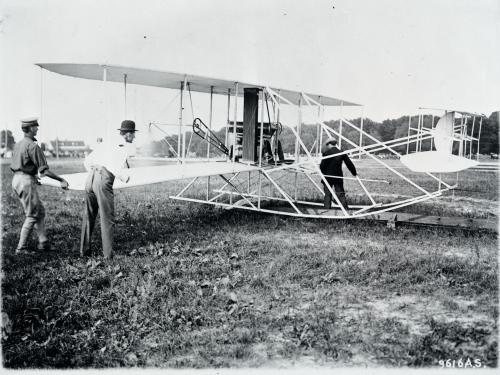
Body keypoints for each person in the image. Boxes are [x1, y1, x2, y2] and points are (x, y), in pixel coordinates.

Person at [80, 120, 137, 259]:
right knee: (107, 217)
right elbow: (113, 166)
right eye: (133, 134)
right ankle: (108, 255)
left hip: (90, 178)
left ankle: (84, 251)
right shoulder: (122, 146)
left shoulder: (106, 142)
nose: (134, 137)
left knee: (89, 215)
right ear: (128, 134)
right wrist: (124, 177)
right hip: (103, 179)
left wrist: (95, 171)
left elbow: (86, 161)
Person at [10, 117, 69, 254]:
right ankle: (21, 248)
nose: (37, 128)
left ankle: (43, 243)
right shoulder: (33, 146)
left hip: (17, 179)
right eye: (36, 127)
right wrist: (61, 179)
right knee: (32, 215)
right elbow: (44, 171)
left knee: (40, 211)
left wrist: (31, 175)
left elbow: (19, 166)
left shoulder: (19, 144)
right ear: (30, 129)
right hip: (25, 182)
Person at [319, 138, 357, 210]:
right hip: (338, 177)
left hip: (328, 177)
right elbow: (349, 164)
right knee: (341, 194)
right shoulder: (341, 152)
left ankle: (327, 211)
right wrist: (354, 172)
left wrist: (323, 172)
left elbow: (322, 166)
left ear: (329, 144)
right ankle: (345, 210)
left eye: (327, 145)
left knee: (328, 194)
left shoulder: (326, 153)